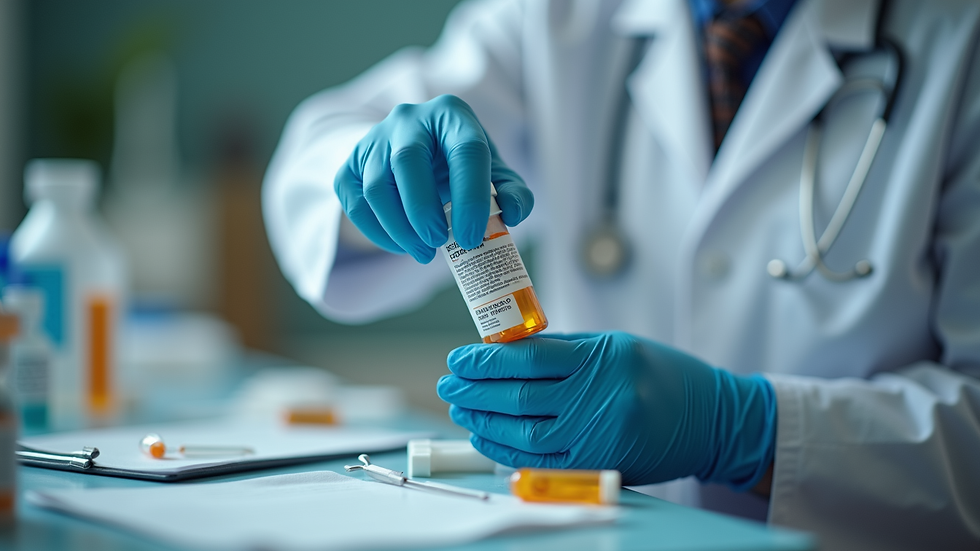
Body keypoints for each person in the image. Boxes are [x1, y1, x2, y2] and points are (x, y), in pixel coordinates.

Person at [263, 0, 980, 548]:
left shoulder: (959, 38)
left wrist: (749, 429)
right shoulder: (563, 18)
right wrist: (377, 168)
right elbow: (310, 159)